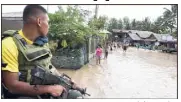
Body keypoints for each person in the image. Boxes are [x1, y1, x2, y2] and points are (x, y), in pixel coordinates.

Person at [1, 5, 81, 99]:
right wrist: (49, 89)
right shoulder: (9, 44)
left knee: (77, 96)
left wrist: (65, 80)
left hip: (45, 87)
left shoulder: (42, 42)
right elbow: (12, 86)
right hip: (24, 95)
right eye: (48, 22)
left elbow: (49, 66)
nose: (49, 26)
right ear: (39, 21)